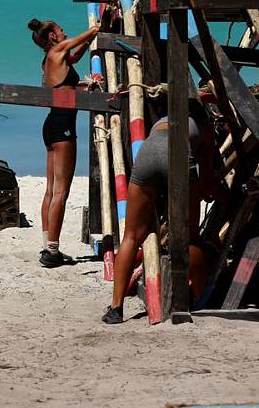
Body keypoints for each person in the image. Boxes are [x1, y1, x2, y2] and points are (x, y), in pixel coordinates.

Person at [102, 104, 220, 324]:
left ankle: (115, 308)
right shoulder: (204, 127)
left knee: (131, 236)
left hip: (148, 151)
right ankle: (201, 298)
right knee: (191, 238)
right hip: (176, 152)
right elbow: (204, 179)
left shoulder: (164, 118)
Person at [27, 18, 99, 268]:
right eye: (59, 30)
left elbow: (76, 57)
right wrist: (97, 27)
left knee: (50, 189)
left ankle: (47, 244)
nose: (64, 31)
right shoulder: (58, 50)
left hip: (51, 125)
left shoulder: (52, 59)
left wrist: (90, 39)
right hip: (63, 127)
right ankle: (53, 252)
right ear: (52, 38)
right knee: (61, 191)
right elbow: (75, 42)